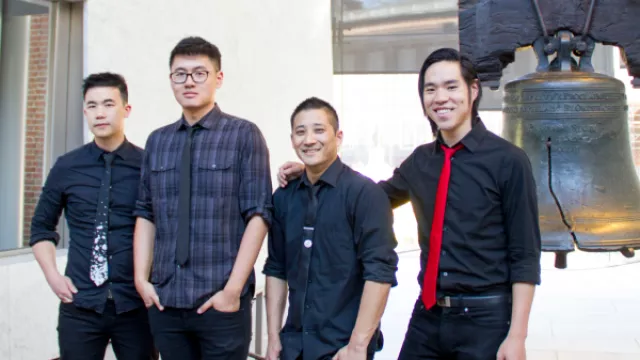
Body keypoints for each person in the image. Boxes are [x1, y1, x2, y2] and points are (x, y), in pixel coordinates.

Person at [277, 48, 542, 359]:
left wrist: (517, 336)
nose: (440, 97)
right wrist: (315, 171)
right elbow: (370, 199)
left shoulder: (509, 161)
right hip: (429, 315)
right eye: (430, 89)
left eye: (450, 86)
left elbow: (525, 255)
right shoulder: (420, 161)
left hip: (486, 319)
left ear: (473, 90)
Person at [133, 36, 273, 360]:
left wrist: (233, 290)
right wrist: (142, 280)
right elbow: (145, 213)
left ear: (218, 78)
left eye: (200, 73)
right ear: (171, 80)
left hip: (220, 300)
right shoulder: (158, 141)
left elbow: (259, 214)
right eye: (180, 74)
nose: (189, 81)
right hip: (166, 299)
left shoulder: (243, 135)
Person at [30, 72, 157, 360]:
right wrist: (52, 276)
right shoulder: (66, 167)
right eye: (92, 105)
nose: (100, 113)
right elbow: (41, 228)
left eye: (108, 104)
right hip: (80, 304)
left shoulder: (148, 165)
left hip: (136, 306)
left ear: (126, 109)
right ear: (84, 111)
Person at [263, 97, 398, 360]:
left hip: (343, 349)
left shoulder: (364, 194)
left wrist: (358, 345)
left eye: (319, 130)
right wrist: (273, 338)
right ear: (292, 139)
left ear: (338, 136)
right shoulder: (283, 197)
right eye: (301, 132)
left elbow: (380, 272)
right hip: (294, 347)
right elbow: (276, 267)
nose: (309, 139)